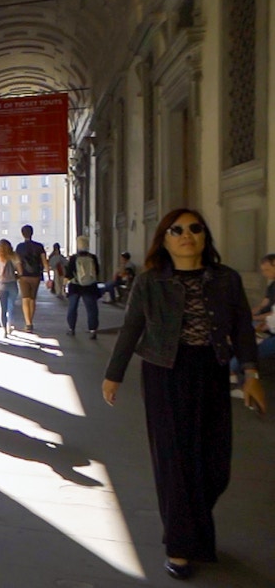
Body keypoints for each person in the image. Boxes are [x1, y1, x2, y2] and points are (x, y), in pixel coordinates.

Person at [102, 208, 266, 580]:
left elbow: (242, 328)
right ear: (164, 239)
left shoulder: (225, 279)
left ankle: (189, 525)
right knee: (174, 461)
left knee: (215, 463)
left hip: (211, 370)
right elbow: (131, 328)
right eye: (176, 230)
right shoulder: (150, 281)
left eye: (195, 228)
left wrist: (250, 374)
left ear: (205, 237)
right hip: (164, 373)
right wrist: (114, 375)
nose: (186, 234)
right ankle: (180, 546)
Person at [65, 236, 101, 339]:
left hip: (75, 286)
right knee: (91, 309)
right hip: (89, 287)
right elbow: (97, 272)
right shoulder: (93, 258)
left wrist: (65, 285)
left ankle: (71, 329)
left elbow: (68, 274)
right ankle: (93, 330)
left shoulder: (74, 258)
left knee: (72, 308)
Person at [14, 224, 48, 332]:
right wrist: (49, 276)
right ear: (32, 233)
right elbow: (44, 261)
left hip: (24, 276)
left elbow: (18, 262)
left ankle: (28, 323)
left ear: (22, 234)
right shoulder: (39, 246)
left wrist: (19, 274)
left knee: (25, 299)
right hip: (36, 276)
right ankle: (30, 321)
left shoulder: (19, 247)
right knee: (32, 299)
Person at [0, 239, 21, 337]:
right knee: (11, 307)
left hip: (1, 284)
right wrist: (16, 276)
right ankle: (10, 325)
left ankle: (4, 330)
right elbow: (20, 272)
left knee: (2, 308)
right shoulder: (15, 257)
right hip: (12, 284)